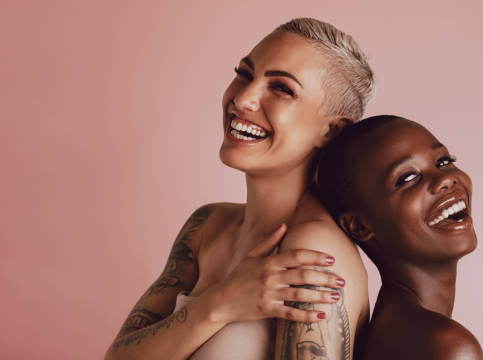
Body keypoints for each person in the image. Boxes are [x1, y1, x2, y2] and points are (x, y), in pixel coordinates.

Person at [105, 18, 374, 360]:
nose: (243, 98)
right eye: (245, 74)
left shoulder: (314, 254)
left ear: (332, 130)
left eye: (282, 88)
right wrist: (220, 303)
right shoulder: (206, 226)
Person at [316, 115, 483, 359]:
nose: (445, 179)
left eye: (444, 161)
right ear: (360, 226)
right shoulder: (446, 346)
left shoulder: (397, 328)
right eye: (408, 178)